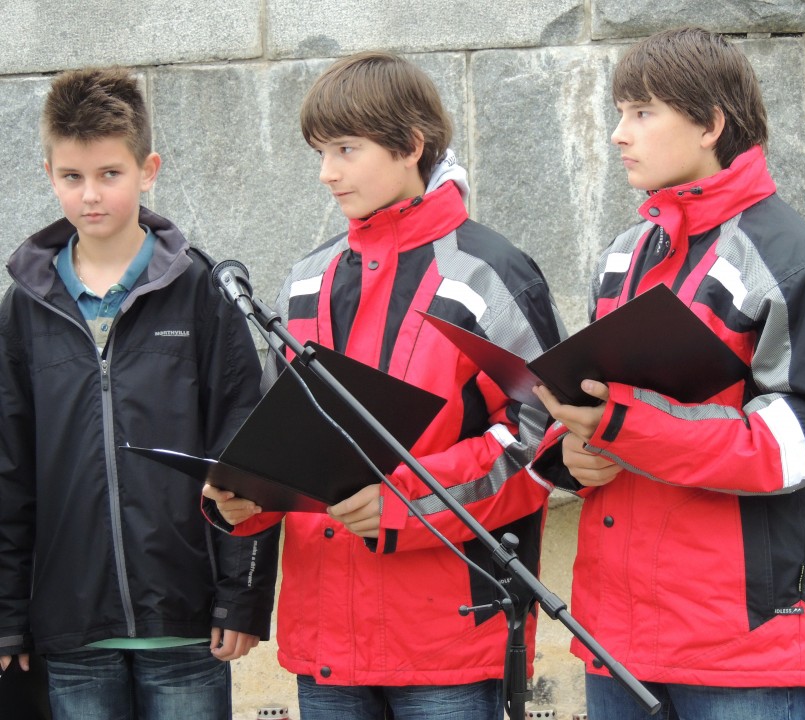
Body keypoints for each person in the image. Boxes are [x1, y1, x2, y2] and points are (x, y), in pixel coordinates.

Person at [202, 51, 565, 720]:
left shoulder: (489, 274)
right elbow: (289, 441)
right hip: (327, 644)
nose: (327, 172)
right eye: (320, 152)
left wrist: (409, 502)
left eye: (346, 149)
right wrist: (248, 496)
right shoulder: (305, 281)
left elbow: (545, 443)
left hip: (448, 641)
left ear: (411, 146)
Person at [530, 27, 805, 720]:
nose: (619, 134)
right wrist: (574, 452)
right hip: (616, 636)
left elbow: (804, 444)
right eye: (620, 112)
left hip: (742, 643)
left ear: (711, 125)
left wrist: (624, 426)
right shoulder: (626, 253)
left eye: (642, 112)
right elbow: (602, 404)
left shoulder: (790, 259)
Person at [0, 66, 280, 720]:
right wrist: (8, 613)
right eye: (72, 177)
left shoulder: (204, 290)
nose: (90, 195)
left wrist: (240, 597)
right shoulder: (24, 307)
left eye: (110, 174)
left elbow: (245, 448)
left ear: (148, 169)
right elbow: (9, 472)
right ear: (49, 175)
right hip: (72, 626)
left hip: (185, 623)